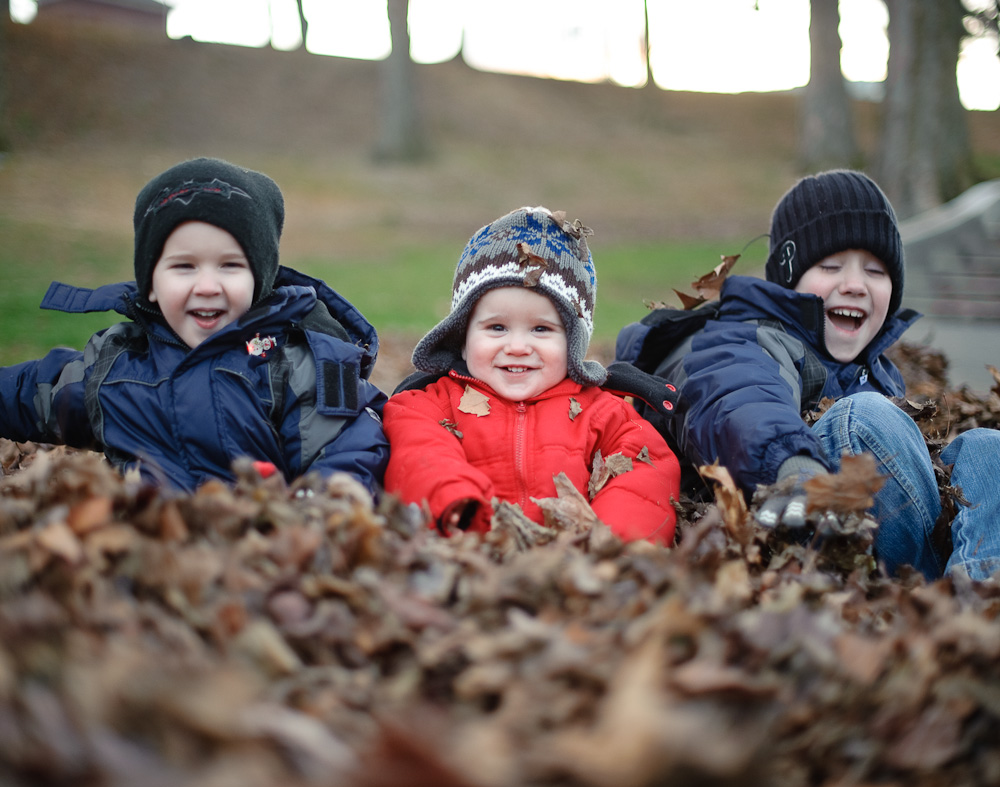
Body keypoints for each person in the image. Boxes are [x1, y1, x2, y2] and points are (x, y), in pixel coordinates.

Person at [618, 169, 1000, 582]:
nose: (855, 285)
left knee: (986, 449)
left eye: (876, 272)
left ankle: (979, 594)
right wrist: (794, 467)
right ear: (790, 277)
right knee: (864, 419)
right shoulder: (746, 337)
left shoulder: (873, 372)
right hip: (798, 513)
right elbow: (742, 399)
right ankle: (920, 594)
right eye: (831, 265)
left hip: (886, 533)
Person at [0, 157, 388, 494]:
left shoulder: (293, 363)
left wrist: (324, 504)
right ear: (150, 284)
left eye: (230, 266)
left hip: (260, 554)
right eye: (184, 266)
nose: (207, 286)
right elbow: (26, 393)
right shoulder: (114, 367)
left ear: (260, 280)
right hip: (146, 555)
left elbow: (349, 446)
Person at [382, 206, 680, 544]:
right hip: (469, 552)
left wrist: (610, 546)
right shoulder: (429, 407)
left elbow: (645, 474)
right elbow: (420, 456)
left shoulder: (604, 413)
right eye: (497, 327)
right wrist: (460, 511)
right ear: (462, 338)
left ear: (573, 342)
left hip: (574, 569)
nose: (518, 346)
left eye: (541, 329)